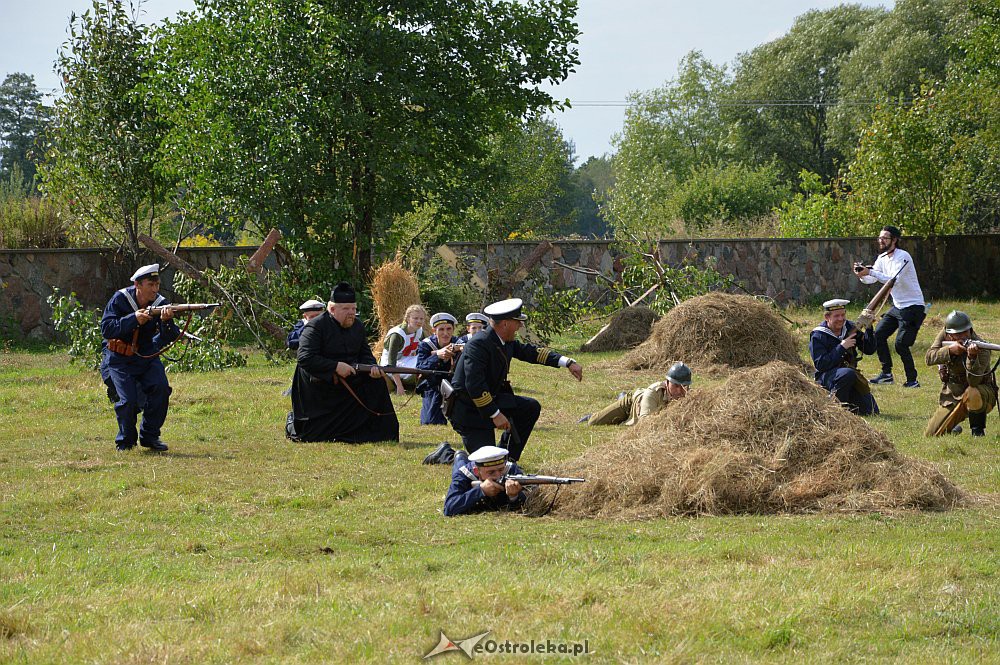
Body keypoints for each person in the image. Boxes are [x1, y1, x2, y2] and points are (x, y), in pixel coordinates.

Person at [448, 297, 583, 462]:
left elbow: (532, 353)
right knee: (486, 462)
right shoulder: (479, 344)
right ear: (505, 324)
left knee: (529, 407)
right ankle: (447, 455)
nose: (520, 325)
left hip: (490, 402)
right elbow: (474, 386)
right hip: (470, 412)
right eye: (517, 322)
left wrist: (567, 362)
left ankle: (509, 458)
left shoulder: (504, 340)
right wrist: (495, 414)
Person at [288, 282, 399, 443]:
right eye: (346, 309)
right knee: (314, 435)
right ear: (332, 309)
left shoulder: (358, 326)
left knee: (376, 384)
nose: (351, 313)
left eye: (353, 309)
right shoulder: (315, 327)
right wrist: (335, 367)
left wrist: (372, 368)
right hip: (320, 386)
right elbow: (305, 358)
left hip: (350, 378)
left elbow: (365, 355)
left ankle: (377, 433)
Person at [100, 264, 180, 452]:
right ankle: (125, 442)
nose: (155, 289)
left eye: (157, 284)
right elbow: (107, 329)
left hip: (146, 355)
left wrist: (167, 322)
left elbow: (169, 336)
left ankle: (150, 437)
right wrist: (134, 319)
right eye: (151, 284)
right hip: (119, 357)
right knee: (127, 400)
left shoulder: (160, 302)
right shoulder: (120, 299)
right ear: (137, 284)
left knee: (161, 389)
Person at [854, 225, 926, 388]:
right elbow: (872, 279)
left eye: (885, 238)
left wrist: (870, 272)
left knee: (901, 344)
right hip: (898, 306)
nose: (881, 241)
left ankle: (912, 380)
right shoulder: (882, 258)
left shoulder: (903, 256)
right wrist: (861, 275)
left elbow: (893, 279)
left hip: (913, 307)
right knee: (878, 335)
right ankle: (886, 374)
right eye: (879, 238)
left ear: (894, 240)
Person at [924, 310, 996, 437]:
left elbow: (973, 381)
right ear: (949, 335)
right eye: (958, 334)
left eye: (966, 332)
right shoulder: (945, 334)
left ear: (970, 329)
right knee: (931, 434)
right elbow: (929, 358)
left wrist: (972, 358)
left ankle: (977, 432)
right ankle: (954, 427)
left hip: (981, 393)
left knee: (972, 391)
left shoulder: (983, 348)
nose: (963, 336)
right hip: (953, 394)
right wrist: (949, 351)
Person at [808, 299, 880, 415]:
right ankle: (833, 408)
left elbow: (869, 350)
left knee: (871, 411)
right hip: (828, 377)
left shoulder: (850, 327)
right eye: (836, 316)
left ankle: (846, 404)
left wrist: (869, 328)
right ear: (827, 317)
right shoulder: (818, 335)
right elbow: (821, 365)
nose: (841, 319)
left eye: (843, 315)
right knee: (847, 374)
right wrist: (841, 347)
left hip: (849, 375)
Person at [586, 362, 692, 426]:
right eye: (676, 386)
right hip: (632, 403)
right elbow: (645, 422)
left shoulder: (690, 396)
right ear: (667, 382)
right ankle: (621, 398)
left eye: (683, 386)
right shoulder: (653, 392)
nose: (679, 391)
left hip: (640, 409)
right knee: (594, 422)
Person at [443, 446, 527, 517]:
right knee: (460, 463)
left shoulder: (511, 469)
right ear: (476, 471)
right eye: (491, 472)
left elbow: (527, 500)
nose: (498, 476)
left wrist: (514, 496)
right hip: (464, 466)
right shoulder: (463, 474)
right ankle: (459, 455)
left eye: (501, 469)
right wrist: (480, 491)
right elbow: (449, 508)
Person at [415, 312, 461, 426]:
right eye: (441, 329)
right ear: (434, 331)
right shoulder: (426, 345)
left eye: (449, 329)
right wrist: (437, 356)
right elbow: (420, 368)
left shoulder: (459, 343)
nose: (445, 333)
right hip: (433, 385)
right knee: (430, 422)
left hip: (454, 384)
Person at [380, 304, 428, 395]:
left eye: (421, 319)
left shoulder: (419, 331)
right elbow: (391, 363)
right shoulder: (397, 335)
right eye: (415, 318)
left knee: (428, 358)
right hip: (391, 365)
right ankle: (398, 383)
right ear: (408, 318)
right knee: (422, 363)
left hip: (406, 360)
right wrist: (399, 386)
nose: (419, 321)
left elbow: (428, 348)